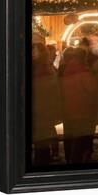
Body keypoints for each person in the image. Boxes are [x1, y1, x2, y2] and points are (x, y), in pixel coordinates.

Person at [60, 47, 98, 164]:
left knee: (69, 135)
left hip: (68, 108)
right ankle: (77, 159)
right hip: (83, 109)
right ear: (84, 58)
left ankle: (69, 158)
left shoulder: (65, 69)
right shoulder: (84, 71)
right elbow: (93, 88)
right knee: (80, 136)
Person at [32, 34, 62, 165]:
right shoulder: (48, 69)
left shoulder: (44, 70)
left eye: (35, 49)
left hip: (41, 110)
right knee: (42, 140)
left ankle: (42, 161)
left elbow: (51, 89)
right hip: (42, 109)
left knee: (41, 141)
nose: (32, 51)